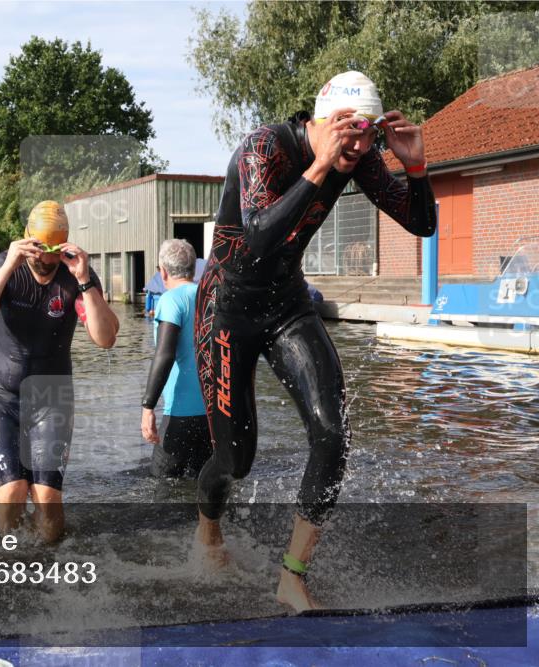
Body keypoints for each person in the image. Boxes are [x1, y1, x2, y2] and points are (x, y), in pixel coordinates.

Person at [193, 71, 437, 612]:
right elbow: (256, 236)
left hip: (286, 304)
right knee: (236, 460)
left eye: (366, 132)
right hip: (225, 308)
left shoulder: (363, 157)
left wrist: (416, 168)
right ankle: (208, 526)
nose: (357, 144)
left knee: (332, 433)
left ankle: (292, 575)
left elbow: (420, 223)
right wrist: (319, 165)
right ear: (319, 120)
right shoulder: (265, 147)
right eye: (346, 130)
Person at [0, 200, 120, 542]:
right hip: (2, 394)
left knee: (47, 498)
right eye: (38, 251)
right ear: (27, 239)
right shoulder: (4, 265)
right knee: (14, 489)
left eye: (52, 253)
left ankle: (49, 565)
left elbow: (105, 339)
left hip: (52, 397)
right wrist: (8, 268)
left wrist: (86, 280)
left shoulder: (76, 275)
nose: (45, 261)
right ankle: (6, 565)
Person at [140, 239, 211, 478]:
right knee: (203, 485)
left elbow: (165, 354)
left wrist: (148, 406)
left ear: (162, 271)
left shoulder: (170, 301)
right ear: (193, 269)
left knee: (162, 486)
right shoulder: (211, 298)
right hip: (214, 413)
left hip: (181, 413)